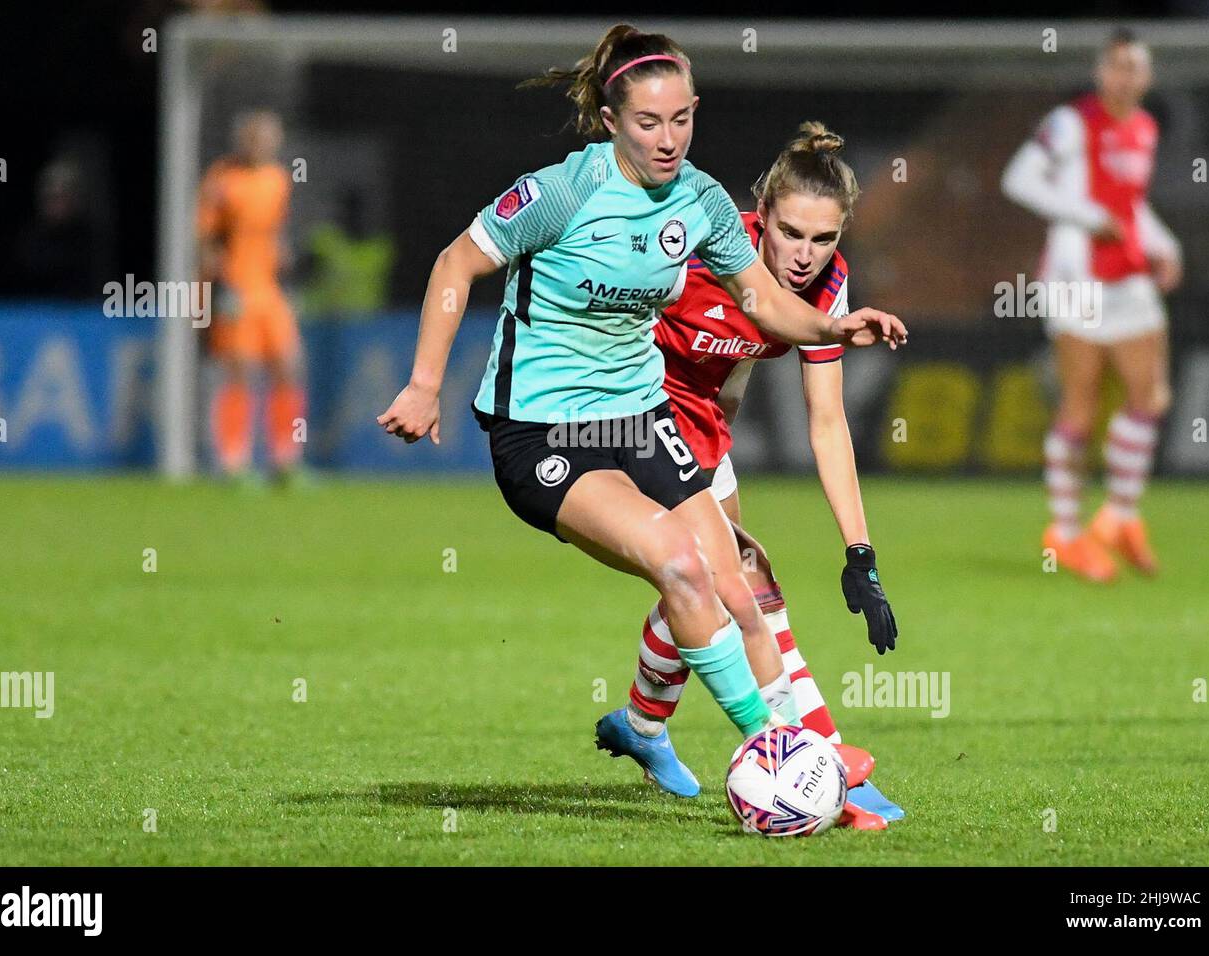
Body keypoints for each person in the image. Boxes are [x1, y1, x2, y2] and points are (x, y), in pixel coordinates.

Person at [379, 25, 906, 775]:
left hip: (641, 420)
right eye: (648, 122)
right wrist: (426, 384)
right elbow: (454, 262)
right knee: (682, 567)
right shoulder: (562, 193)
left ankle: (794, 757)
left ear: (697, 109)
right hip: (544, 432)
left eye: (682, 119)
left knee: (742, 592)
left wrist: (831, 326)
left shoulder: (702, 206)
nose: (668, 139)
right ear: (611, 121)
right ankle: (776, 757)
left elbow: (761, 300)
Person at [596, 122, 902, 827]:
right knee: (747, 577)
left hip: (703, 425)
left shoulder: (827, 285)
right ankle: (820, 758)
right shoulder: (692, 243)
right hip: (628, 415)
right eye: (790, 232)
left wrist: (861, 552)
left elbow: (827, 421)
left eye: (822, 239)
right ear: (759, 214)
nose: (804, 255)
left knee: (702, 578)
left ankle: (641, 727)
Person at [1001, 29, 1181, 582]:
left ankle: (1121, 515)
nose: (1125, 77)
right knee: (1080, 407)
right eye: (1116, 66)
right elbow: (1019, 179)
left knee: (1151, 395)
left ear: (1146, 78)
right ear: (1102, 73)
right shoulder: (1069, 122)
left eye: (1135, 68)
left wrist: (1165, 245)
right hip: (1075, 278)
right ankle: (1066, 531)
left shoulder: (1145, 128)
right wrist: (1084, 216)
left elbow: (1130, 207)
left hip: (1127, 275)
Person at [198, 109, 306, 484]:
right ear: (242, 140)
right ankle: (233, 462)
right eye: (255, 137)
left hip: (269, 289)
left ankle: (285, 462)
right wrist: (219, 287)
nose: (262, 144)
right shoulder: (222, 179)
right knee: (240, 372)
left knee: (289, 366)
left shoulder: (277, 180)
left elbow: (276, 235)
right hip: (237, 287)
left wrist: (286, 270)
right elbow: (208, 240)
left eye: (269, 137)